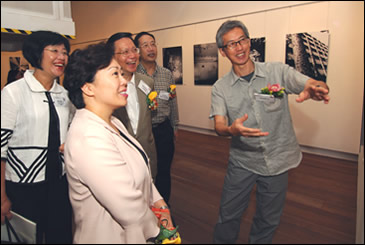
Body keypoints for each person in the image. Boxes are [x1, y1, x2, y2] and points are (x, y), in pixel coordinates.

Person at [210, 20, 330, 244]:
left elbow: (310, 83)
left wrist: (317, 87)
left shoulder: (277, 71)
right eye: (231, 44)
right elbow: (219, 126)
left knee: (268, 220)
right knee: (228, 216)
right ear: (223, 52)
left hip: (278, 161)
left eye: (242, 40)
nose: (239, 48)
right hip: (242, 162)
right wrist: (231, 129)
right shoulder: (220, 88)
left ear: (249, 41)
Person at [62, 42, 173, 244]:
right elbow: (131, 211)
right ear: (88, 87)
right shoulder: (89, 138)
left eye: (122, 74)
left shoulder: (114, 122)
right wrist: (162, 231)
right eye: (115, 74)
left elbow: (142, 173)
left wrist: (161, 204)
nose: (124, 81)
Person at [1, 30, 73, 243]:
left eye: (65, 52)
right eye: (54, 51)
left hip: (59, 182)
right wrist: (1, 196)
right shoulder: (13, 93)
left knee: (60, 235)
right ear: (36, 54)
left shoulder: (65, 95)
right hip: (24, 185)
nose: (61, 57)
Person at [135, 31, 179, 205]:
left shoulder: (166, 74)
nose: (151, 48)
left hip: (163, 128)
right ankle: (145, 207)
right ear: (138, 50)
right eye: (145, 45)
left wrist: (175, 125)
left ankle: (163, 209)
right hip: (142, 131)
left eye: (153, 43)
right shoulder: (132, 75)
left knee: (164, 171)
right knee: (143, 172)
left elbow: (173, 100)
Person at [106, 32, 158, 180]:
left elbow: (149, 115)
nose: (132, 55)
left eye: (134, 50)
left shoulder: (147, 82)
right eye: (125, 52)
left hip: (147, 152)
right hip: (119, 156)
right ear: (112, 56)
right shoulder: (105, 86)